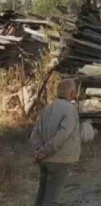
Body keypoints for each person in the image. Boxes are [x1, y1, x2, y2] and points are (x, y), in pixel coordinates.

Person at [31, 78, 81, 206]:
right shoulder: (70, 109)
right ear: (72, 93)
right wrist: (46, 151)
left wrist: (40, 151)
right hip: (60, 160)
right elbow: (62, 135)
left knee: (41, 197)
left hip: (44, 159)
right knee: (52, 200)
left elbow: (35, 133)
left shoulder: (48, 107)